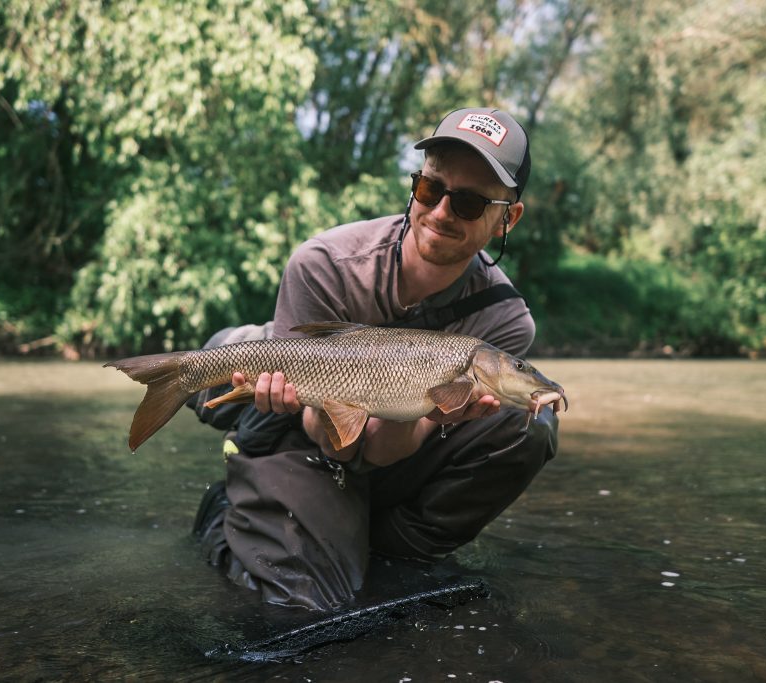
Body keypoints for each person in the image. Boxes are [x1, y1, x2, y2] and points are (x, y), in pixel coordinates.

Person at [192, 107, 560, 611]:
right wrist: (331, 407)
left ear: (507, 218)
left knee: (529, 428)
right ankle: (230, 508)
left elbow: (380, 449)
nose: (440, 213)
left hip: (392, 444)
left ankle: (389, 547)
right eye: (430, 190)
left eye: (470, 203)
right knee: (307, 602)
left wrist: (430, 412)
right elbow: (337, 443)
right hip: (305, 435)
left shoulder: (505, 322)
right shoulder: (324, 263)